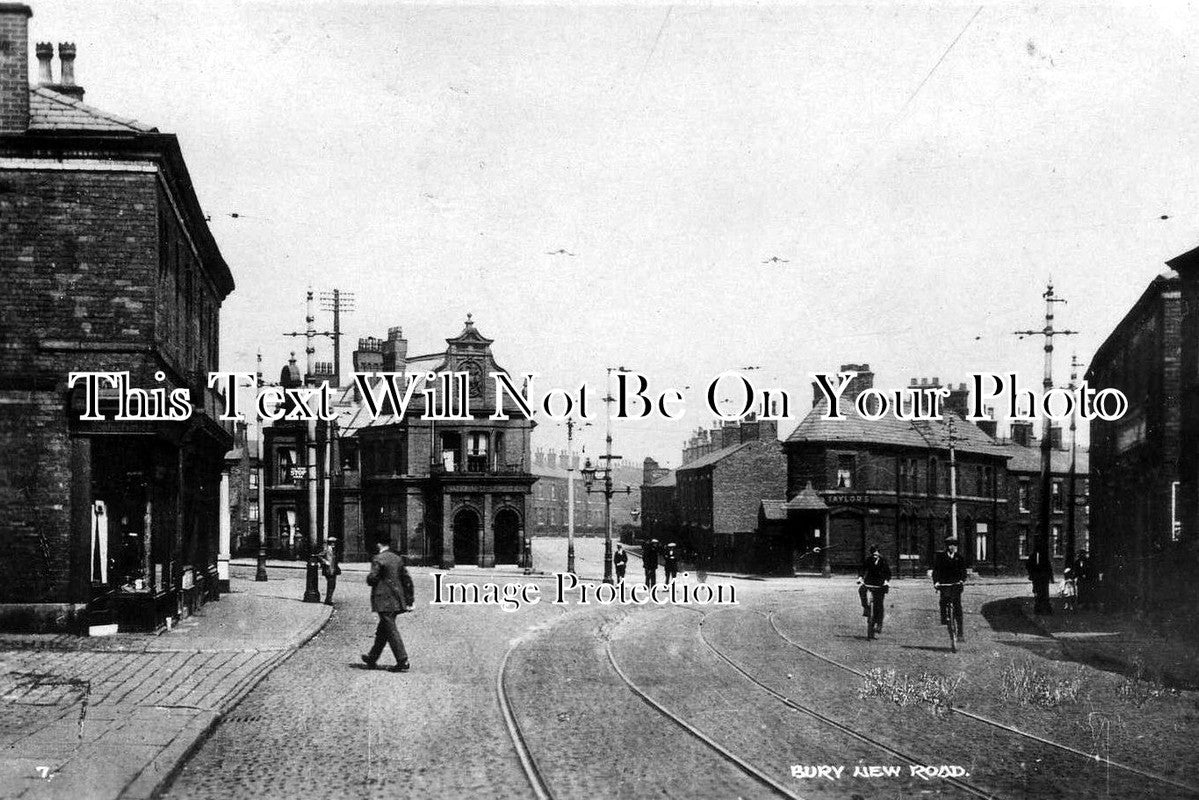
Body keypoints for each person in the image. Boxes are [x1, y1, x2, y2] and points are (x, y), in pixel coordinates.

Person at [362, 536, 414, 673]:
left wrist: (369, 579)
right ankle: (372, 657)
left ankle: (402, 660)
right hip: (397, 600)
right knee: (383, 629)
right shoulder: (397, 558)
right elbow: (407, 579)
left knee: (390, 630)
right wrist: (409, 600)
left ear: (379, 544)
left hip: (384, 601)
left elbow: (373, 578)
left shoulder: (378, 558)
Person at [932, 536, 968, 641]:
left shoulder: (959, 558)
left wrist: (962, 580)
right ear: (947, 546)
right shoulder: (941, 558)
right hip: (945, 584)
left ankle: (960, 632)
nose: (953, 547)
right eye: (951, 545)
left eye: (955, 545)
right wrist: (936, 582)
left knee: (958, 607)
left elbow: (963, 571)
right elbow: (936, 571)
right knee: (943, 601)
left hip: (956, 585)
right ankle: (944, 619)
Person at [857, 545, 891, 633]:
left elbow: (888, 573)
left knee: (879, 604)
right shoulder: (868, 560)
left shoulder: (883, 561)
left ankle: (879, 624)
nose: (875, 556)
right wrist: (860, 577)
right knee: (861, 590)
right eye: (873, 554)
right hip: (869, 582)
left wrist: (886, 581)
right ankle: (865, 607)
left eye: (876, 554)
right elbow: (862, 569)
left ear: (879, 554)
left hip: (880, 584)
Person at [319, 535, 341, 606]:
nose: (333, 544)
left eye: (334, 542)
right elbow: (319, 556)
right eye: (332, 542)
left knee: (333, 585)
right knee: (331, 584)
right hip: (328, 569)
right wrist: (325, 562)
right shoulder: (326, 549)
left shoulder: (334, 550)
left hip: (333, 569)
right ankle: (328, 600)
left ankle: (329, 599)